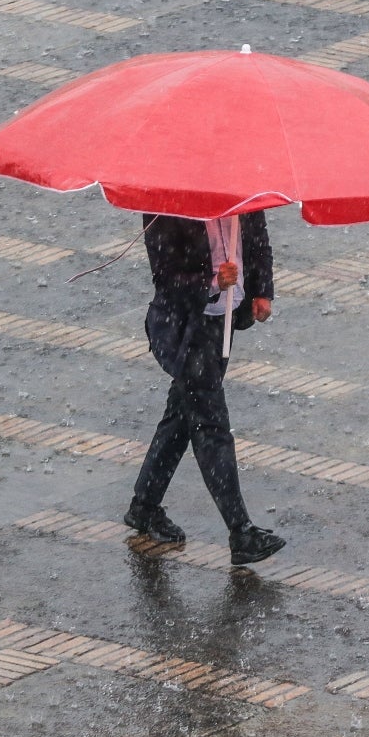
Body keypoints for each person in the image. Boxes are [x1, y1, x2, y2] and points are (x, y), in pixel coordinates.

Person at [124, 211, 286, 566]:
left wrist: (262, 291)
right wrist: (212, 281)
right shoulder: (168, 205)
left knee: (181, 417)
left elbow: (259, 242)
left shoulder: (244, 195)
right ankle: (240, 531)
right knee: (211, 425)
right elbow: (165, 276)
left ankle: (144, 506)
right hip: (184, 329)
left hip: (222, 324)